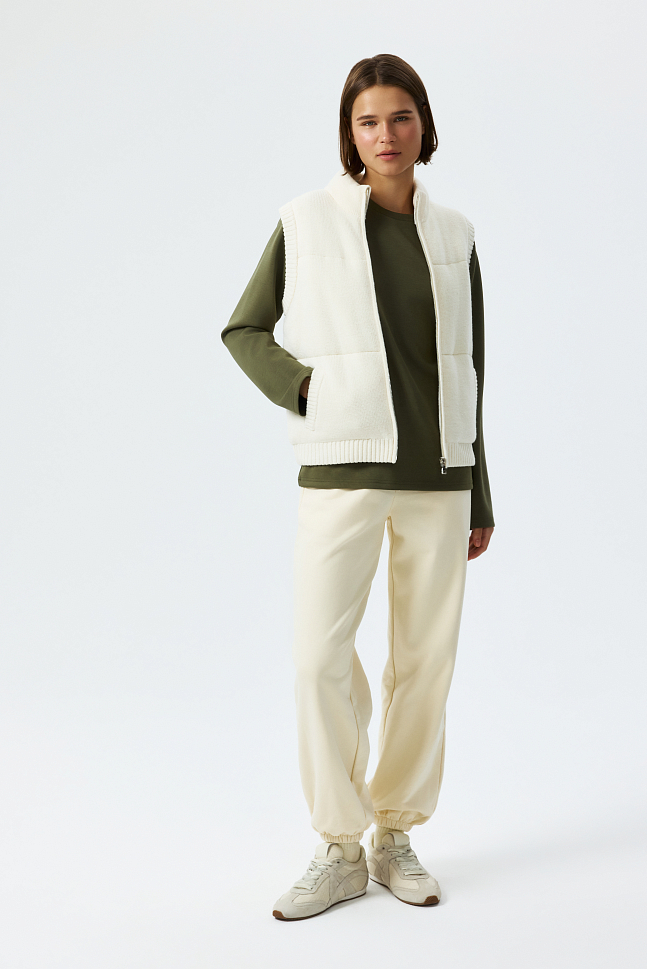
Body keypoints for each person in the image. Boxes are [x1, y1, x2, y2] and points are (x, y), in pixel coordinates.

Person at [221, 53, 495, 921]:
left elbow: (471, 368)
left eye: (400, 117)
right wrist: (306, 389)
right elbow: (244, 328)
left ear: (424, 125)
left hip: (438, 477)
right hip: (341, 467)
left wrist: (479, 492)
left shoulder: (455, 234)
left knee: (424, 662)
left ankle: (393, 835)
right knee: (318, 658)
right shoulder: (305, 221)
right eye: (368, 120)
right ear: (349, 132)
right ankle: (337, 847)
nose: (386, 134)